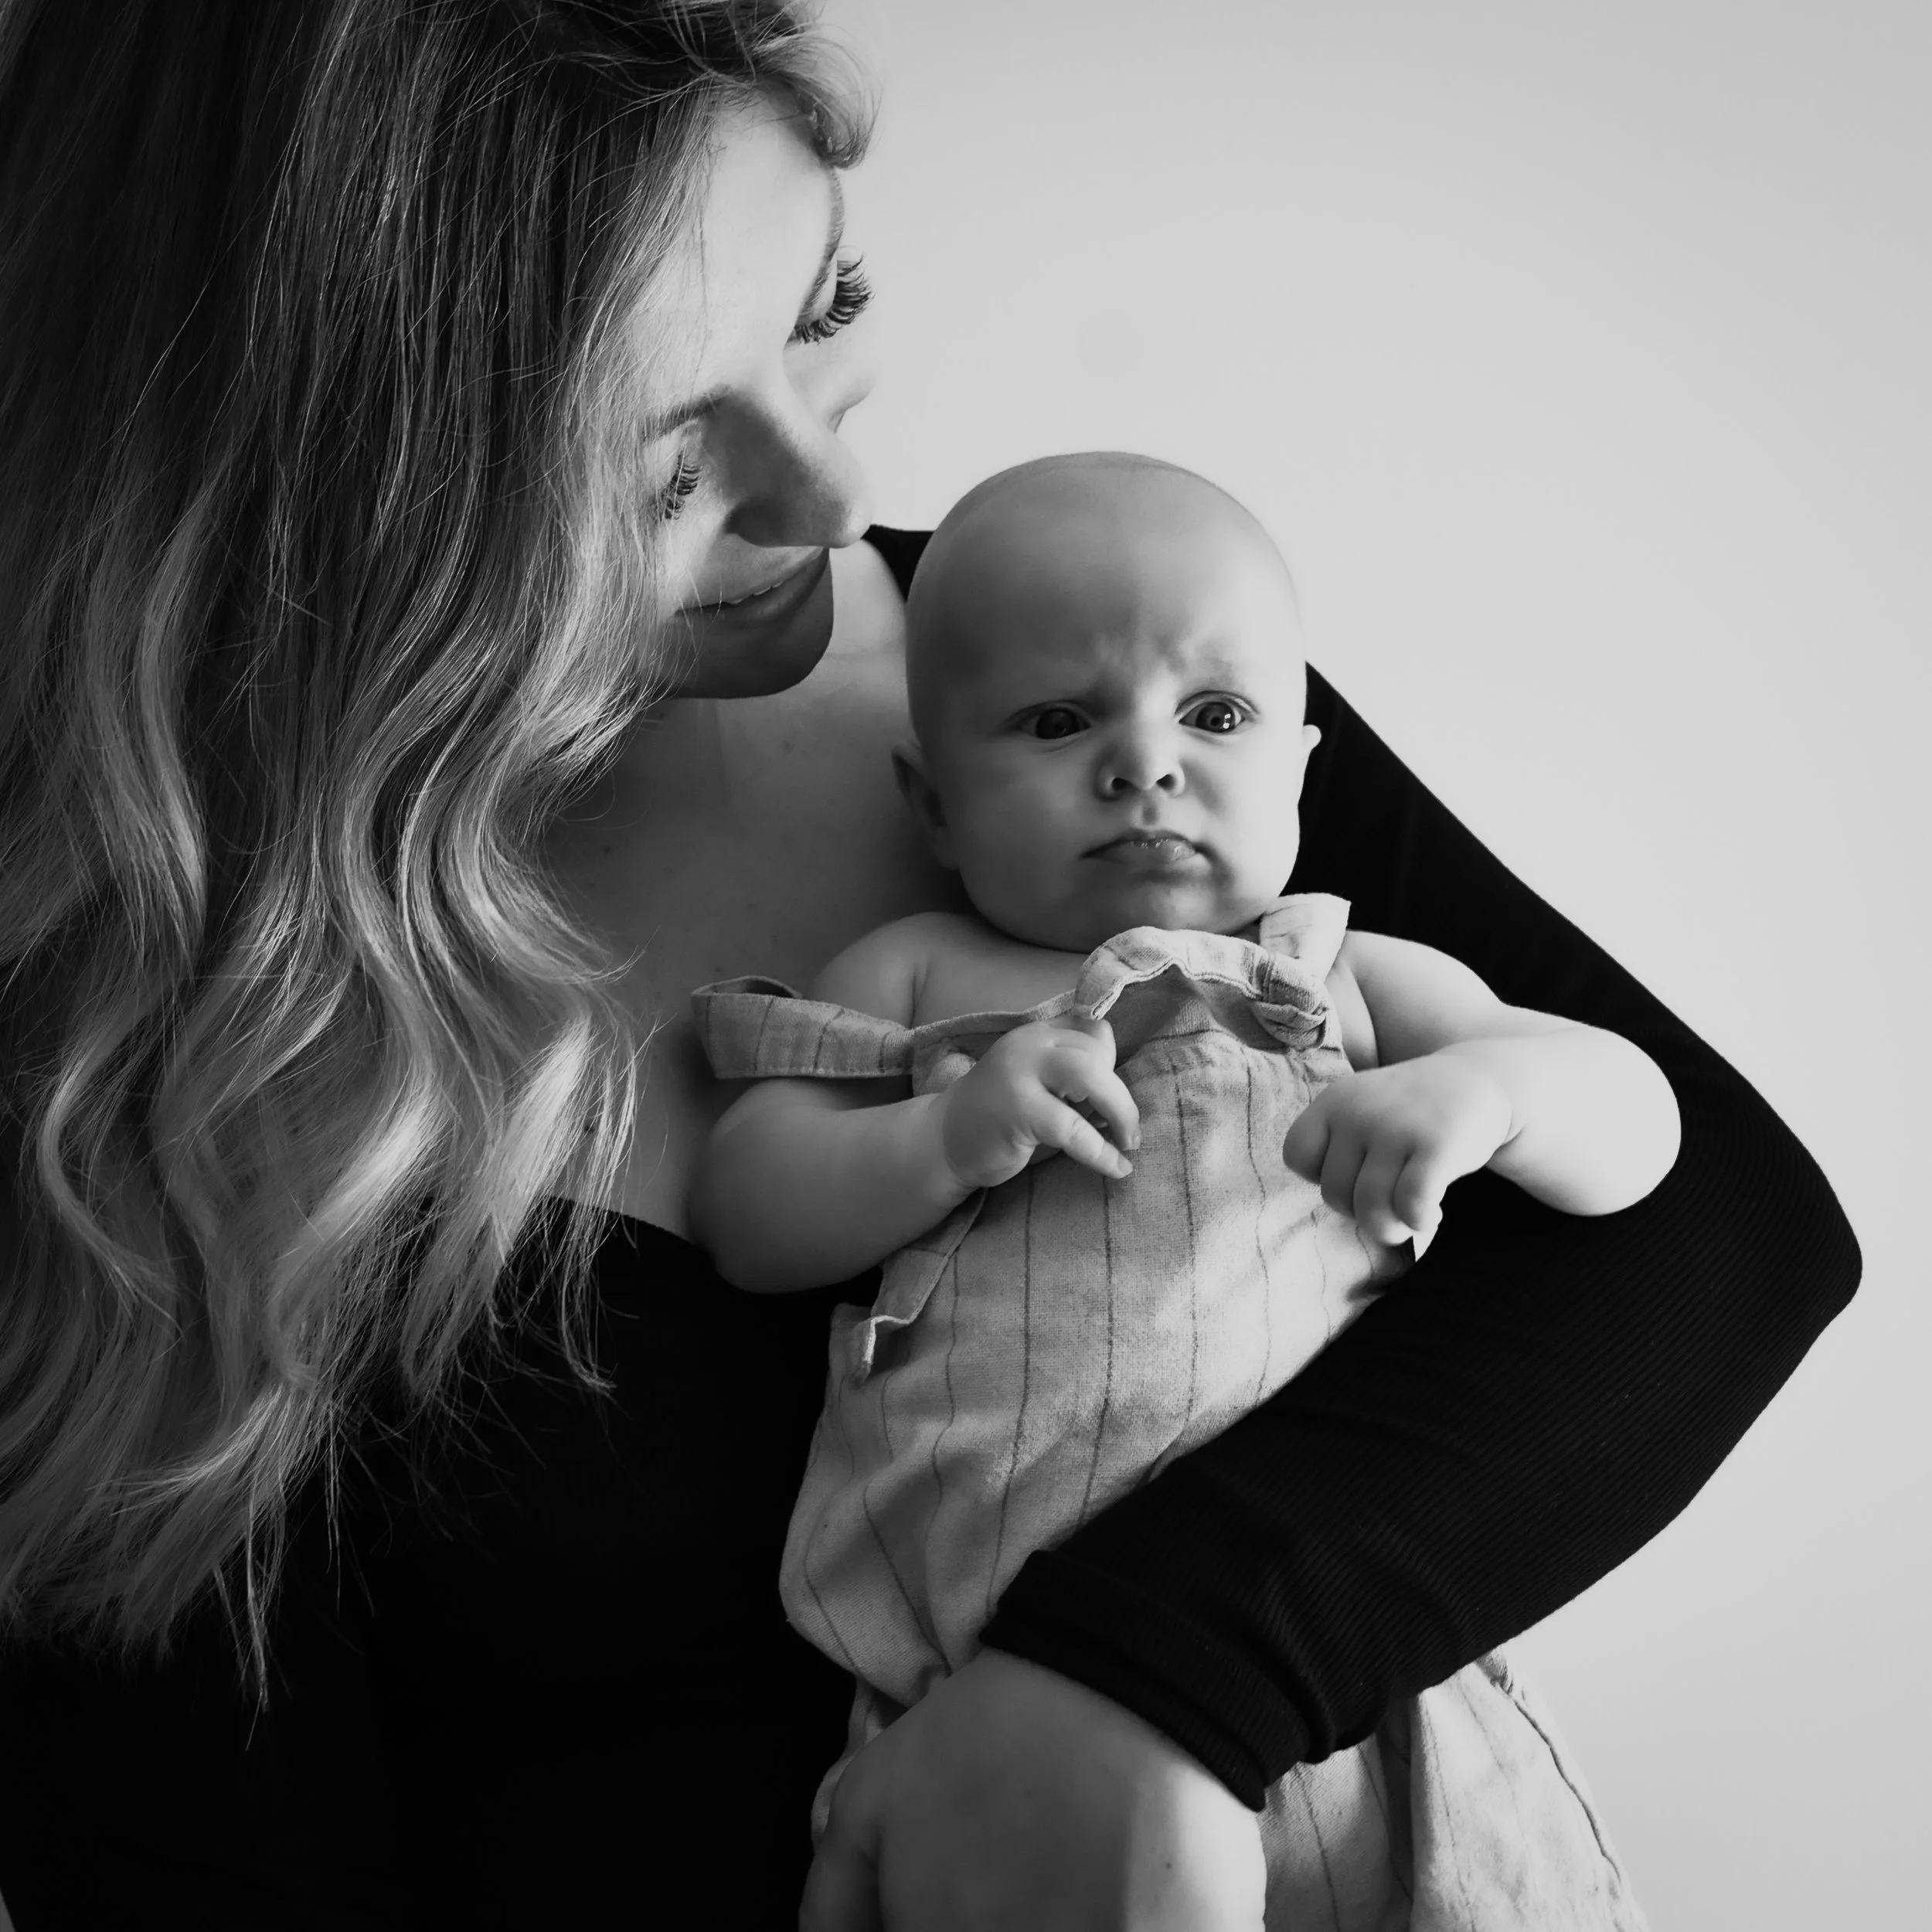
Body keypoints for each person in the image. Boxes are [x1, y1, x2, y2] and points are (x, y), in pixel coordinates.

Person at [0, 5, 1859, 1929]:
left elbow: (1716, 1229)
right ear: (334, 513)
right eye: (657, 468)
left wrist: (1140, 1685)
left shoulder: (1091, 698)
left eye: (823, 304)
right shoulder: (87, 1047)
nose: (821, 498)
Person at [689, 453, 1675, 1927]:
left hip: (1350, 1677)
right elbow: (749, 1211)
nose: (1143, 762)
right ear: (936, 804)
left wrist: (1490, 1097)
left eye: (1213, 717)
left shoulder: (1341, 978)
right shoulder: (917, 974)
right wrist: (944, 1138)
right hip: (974, 1700)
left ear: (1298, 771)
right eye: (1055, 719)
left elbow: (1648, 1125)